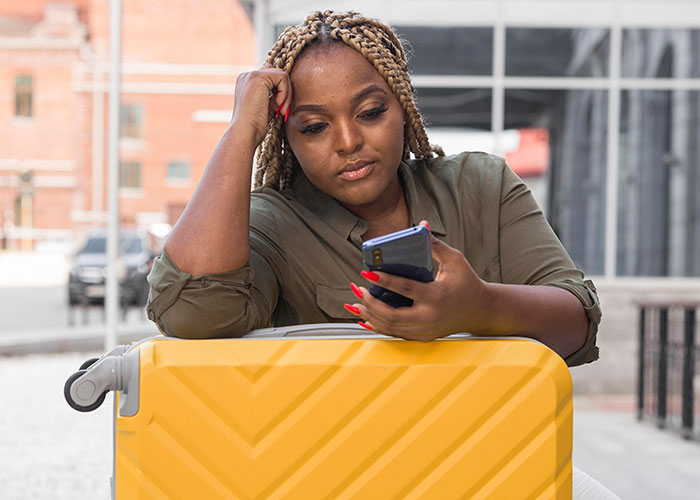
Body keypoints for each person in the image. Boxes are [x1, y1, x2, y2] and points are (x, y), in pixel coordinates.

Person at [146, 10, 600, 366]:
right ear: (286, 138)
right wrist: (241, 131)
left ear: (402, 108)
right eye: (315, 127)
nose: (348, 142)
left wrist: (480, 306)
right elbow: (191, 313)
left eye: (370, 112)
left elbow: (577, 325)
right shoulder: (270, 222)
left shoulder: (481, 186)